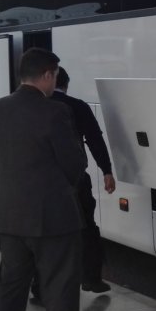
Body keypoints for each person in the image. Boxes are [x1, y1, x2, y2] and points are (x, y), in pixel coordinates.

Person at [0, 49, 107, 311]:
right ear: (49, 74)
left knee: (9, 288)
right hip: (52, 216)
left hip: (7, 216)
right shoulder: (54, 111)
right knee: (60, 286)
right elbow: (74, 164)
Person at [50, 67, 115, 294]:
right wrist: (106, 171)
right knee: (86, 227)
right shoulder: (77, 105)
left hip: (42, 181)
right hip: (74, 179)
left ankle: (42, 287)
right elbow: (94, 140)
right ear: (66, 84)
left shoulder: (31, 106)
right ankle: (91, 278)